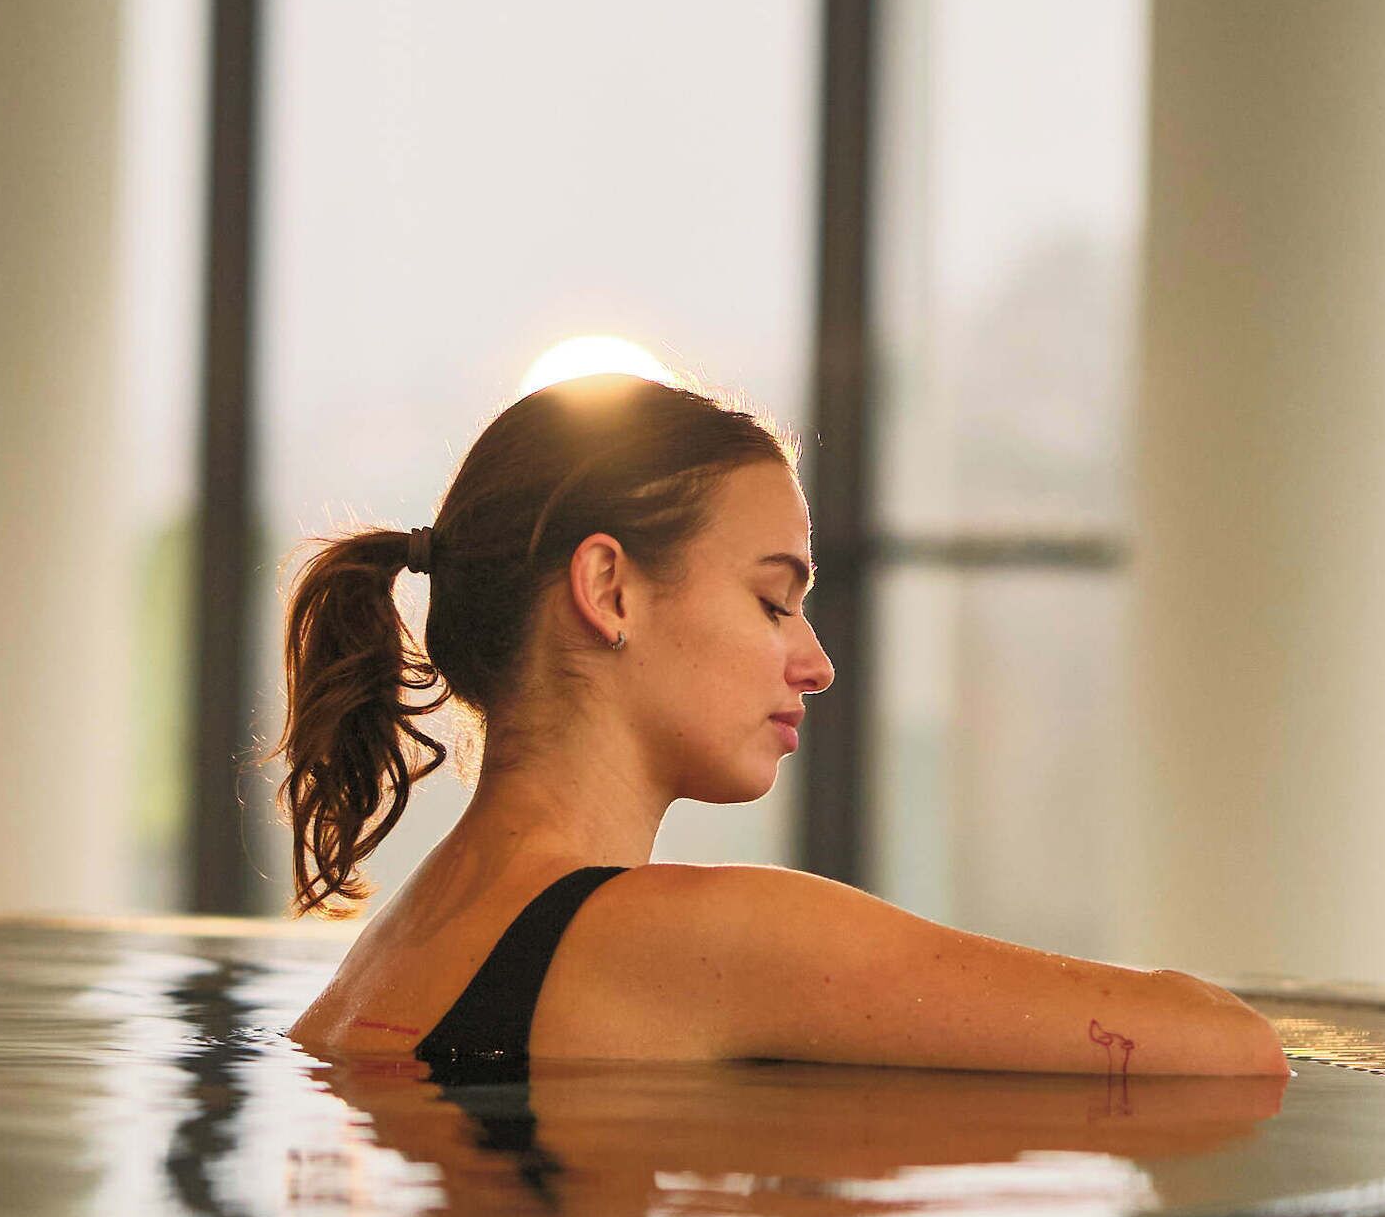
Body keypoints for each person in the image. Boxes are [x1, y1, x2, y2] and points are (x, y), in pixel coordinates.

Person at [279, 371, 1287, 1088]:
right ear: (607, 588)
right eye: (773, 600)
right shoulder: (690, 941)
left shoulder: (389, 946)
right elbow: (1227, 1048)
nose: (816, 663)